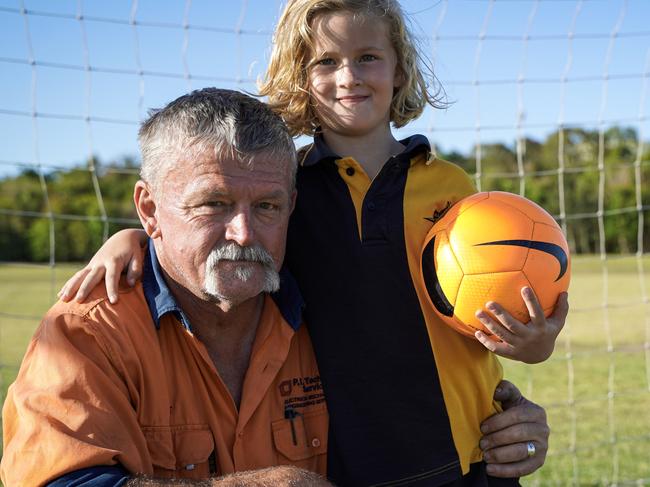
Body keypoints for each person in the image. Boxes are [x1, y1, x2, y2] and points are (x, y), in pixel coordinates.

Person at [57, 1, 566, 485]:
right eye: (327, 61)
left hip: (470, 451)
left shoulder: (450, 184)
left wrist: (536, 345)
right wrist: (130, 239)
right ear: (302, 79)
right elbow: (218, 241)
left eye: (368, 57)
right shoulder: (286, 190)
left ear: (400, 73)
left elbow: (485, 300)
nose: (349, 76)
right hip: (350, 462)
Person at [1, 89, 333, 487]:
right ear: (149, 210)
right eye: (214, 203)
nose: (244, 234)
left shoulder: (329, 314)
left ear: (291, 207)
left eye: (267, 207)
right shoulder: (87, 333)